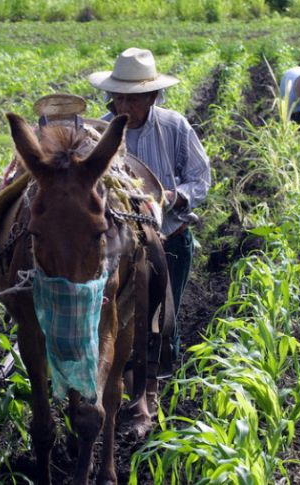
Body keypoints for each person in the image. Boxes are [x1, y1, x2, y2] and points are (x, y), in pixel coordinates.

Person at [88, 47, 211, 362]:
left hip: (169, 238)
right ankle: (120, 378)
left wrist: (171, 197)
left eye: (132, 98)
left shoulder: (174, 126)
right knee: (114, 320)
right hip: (115, 248)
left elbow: (200, 179)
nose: (124, 105)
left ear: (152, 97)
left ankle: (165, 380)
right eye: (118, 97)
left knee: (162, 319)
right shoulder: (98, 133)